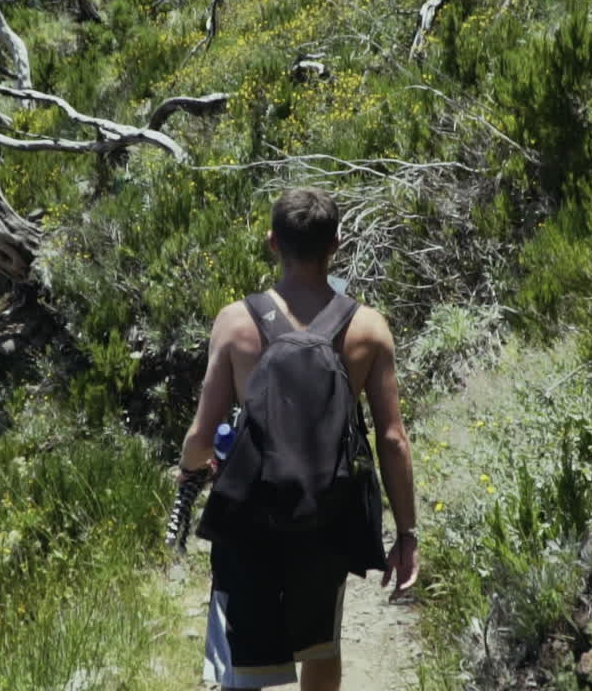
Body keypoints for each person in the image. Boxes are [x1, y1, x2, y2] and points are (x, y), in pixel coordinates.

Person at [179, 187, 419, 691]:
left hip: (250, 519)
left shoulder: (236, 323)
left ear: (272, 242)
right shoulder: (369, 328)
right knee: (321, 643)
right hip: (327, 516)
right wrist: (406, 534)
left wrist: (195, 470)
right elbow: (393, 439)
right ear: (336, 245)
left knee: (242, 658)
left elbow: (200, 438)